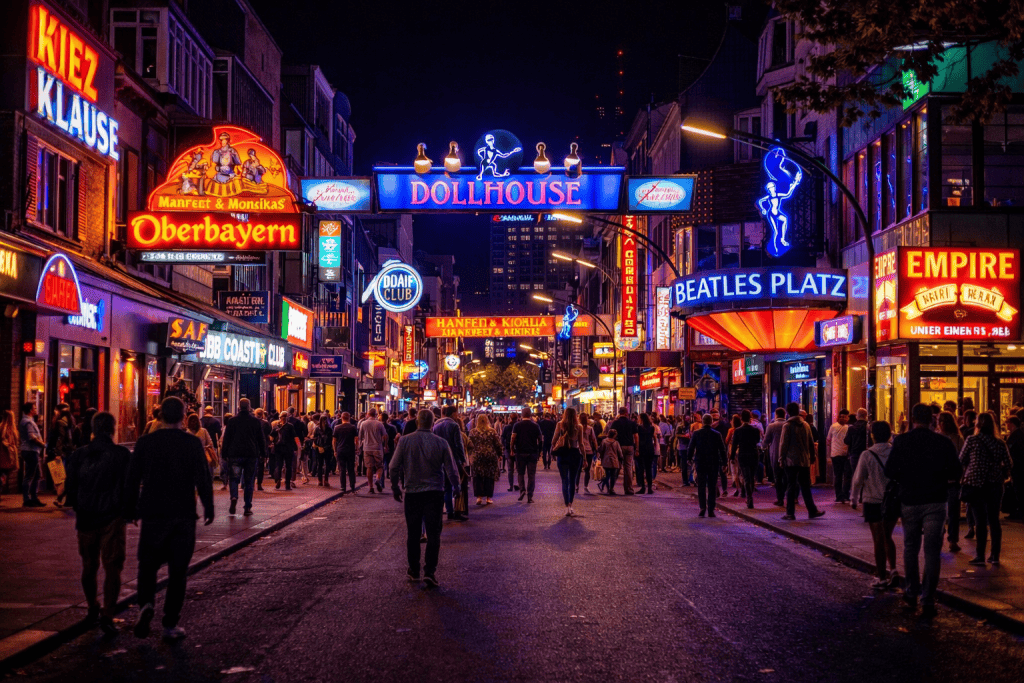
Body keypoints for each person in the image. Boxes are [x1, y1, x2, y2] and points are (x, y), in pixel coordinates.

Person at [126, 397, 214, 640]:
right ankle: (170, 623)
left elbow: (132, 478)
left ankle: (145, 605)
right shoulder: (191, 443)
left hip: (153, 512)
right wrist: (208, 506)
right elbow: (203, 477)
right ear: (183, 416)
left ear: (161, 415)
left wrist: (131, 508)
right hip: (182, 513)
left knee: (148, 564)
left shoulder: (145, 443)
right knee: (178, 570)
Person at [885, 403, 963, 620]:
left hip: (909, 500)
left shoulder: (901, 441)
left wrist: (905, 477)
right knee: (932, 551)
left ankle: (911, 592)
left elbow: (890, 470)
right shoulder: (943, 442)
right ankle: (928, 598)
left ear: (912, 419)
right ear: (932, 420)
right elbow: (956, 471)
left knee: (910, 547)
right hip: (936, 501)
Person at [64, 412, 130, 637]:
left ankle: (92, 606)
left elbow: (70, 487)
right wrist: (129, 511)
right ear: (113, 429)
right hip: (112, 516)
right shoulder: (121, 454)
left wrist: (78, 505)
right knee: (113, 567)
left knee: (89, 565)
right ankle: (108, 614)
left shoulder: (79, 455)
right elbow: (128, 487)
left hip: (86, 517)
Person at [389, 409, 462, 587]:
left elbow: (393, 466)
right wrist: (456, 487)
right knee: (433, 533)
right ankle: (430, 571)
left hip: (413, 493)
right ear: (432, 423)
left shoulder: (405, 441)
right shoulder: (441, 443)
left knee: (413, 533)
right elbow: (451, 469)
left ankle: (414, 570)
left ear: (417, 422)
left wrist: (395, 487)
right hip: (434, 493)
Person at [851, 421, 899, 590]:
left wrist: (854, 499)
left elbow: (858, 479)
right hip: (892, 500)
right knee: (888, 536)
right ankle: (893, 569)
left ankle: (882, 577)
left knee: (878, 540)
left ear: (872, 435)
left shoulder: (867, 454)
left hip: (873, 500)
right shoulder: (895, 452)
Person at [959, 411, 1012, 565]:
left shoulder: (972, 440)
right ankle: (995, 555)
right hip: (995, 483)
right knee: (994, 519)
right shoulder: (1000, 443)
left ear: (977, 425)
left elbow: (961, 459)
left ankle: (980, 555)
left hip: (976, 483)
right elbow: (1009, 464)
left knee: (980, 520)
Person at [220, 398, 268, 516]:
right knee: (249, 481)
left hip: (235, 454)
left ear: (239, 407)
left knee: (234, 478)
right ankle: (247, 507)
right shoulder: (255, 422)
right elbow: (261, 439)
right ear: (249, 407)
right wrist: (263, 453)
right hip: (251, 455)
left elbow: (227, 439)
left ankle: (234, 497)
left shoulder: (232, 421)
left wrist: (224, 453)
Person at [778, 402, 825, 521]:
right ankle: (812, 510)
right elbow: (810, 442)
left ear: (788, 412)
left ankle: (790, 513)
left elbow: (783, 444)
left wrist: (781, 459)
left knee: (791, 486)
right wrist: (812, 456)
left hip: (791, 461)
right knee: (805, 486)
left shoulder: (787, 426)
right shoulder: (805, 425)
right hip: (804, 460)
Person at [936, 411, 966, 552]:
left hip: (940, 479)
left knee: (940, 510)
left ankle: (941, 536)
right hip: (953, 479)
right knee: (953, 511)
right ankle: (953, 540)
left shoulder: (937, 438)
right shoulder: (958, 438)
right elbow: (962, 459)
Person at [433, 406, 469, 518]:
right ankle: (456, 511)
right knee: (457, 484)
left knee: (445, 487)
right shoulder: (454, 425)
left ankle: (448, 510)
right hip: (453, 458)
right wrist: (462, 459)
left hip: (439, 459)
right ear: (453, 413)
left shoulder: (436, 426)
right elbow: (459, 444)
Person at [689, 414, 727, 517]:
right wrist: (724, 463)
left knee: (701, 486)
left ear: (702, 421)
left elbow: (691, 447)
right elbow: (722, 449)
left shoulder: (696, 433)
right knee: (712, 486)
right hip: (713, 462)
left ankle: (702, 508)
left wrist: (689, 459)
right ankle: (711, 509)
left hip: (700, 461)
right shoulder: (716, 434)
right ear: (711, 422)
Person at [550, 408, 585, 516]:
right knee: (572, 481)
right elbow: (581, 444)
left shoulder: (560, 425)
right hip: (574, 454)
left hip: (563, 454)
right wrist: (585, 458)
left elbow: (553, 440)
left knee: (565, 480)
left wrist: (555, 447)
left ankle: (566, 506)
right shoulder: (579, 427)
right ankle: (570, 505)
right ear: (575, 415)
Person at [510, 407, 543, 503]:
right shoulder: (535, 426)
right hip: (532, 452)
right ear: (530, 415)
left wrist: (512, 449)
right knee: (531, 475)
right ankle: (530, 495)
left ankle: (522, 490)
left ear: (522, 414)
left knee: (520, 473)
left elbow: (513, 439)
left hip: (520, 452)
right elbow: (541, 440)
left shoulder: (517, 425)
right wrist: (539, 451)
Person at [467, 414, 501, 505]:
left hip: (477, 456)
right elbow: (497, 444)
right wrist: (500, 454)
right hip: (490, 456)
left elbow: (469, 445)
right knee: (489, 476)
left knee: (477, 477)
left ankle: (479, 497)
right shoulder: (492, 431)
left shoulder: (473, 432)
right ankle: (488, 498)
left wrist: (470, 455)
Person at [731, 410, 762, 509]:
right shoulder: (755, 429)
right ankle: (749, 496)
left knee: (746, 476)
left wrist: (732, 457)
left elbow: (734, 445)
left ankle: (749, 498)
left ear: (741, 418)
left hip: (743, 453)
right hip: (753, 453)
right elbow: (757, 440)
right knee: (752, 476)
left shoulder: (738, 430)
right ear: (750, 418)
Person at [47, 404, 75, 507]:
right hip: (69, 451)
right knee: (65, 476)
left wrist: (57, 453)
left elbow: (60, 438)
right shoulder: (70, 421)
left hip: (61, 452)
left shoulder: (60, 422)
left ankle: (59, 497)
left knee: (60, 477)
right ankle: (62, 498)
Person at [19, 403, 46, 507]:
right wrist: (43, 445)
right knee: (30, 475)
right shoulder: (28, 422)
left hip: (31, 451)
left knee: (36, 475)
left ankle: (33, 498)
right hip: (30, 451)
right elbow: (32, 437)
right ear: (30, 410)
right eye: (34, 408)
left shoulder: (27, 421)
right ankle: (27, 499)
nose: (36, 409)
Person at [607, 407, 639, 495]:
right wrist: (637, 448)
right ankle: (628, 489)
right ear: (626, 413)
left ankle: (611, 488)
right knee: (628, 468)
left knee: (616, 467)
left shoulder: (615, 423)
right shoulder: (632, 423)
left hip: (619, 446)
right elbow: (636, 436)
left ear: (619, 412)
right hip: (629, 446)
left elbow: (610, 434)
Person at [359, 408, 389, 494]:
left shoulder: (363, 423)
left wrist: (360, 447)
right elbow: (385, 436)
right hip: (377, 448)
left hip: (367, 448)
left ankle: (371, 487)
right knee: (380, 466)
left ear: (368, 414)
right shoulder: (379, 424)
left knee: (369, 467)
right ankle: (378, 479)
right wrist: (385, 446)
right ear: (376, 415)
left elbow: (360, 436)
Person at [844, 408, 869, 510]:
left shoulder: (852, 428)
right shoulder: (868, 427)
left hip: (854, 454)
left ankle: (855, 497)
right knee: (867, 475)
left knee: (856, 475)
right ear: (866, 415)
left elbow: (846, 441)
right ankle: (864, 496)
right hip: (866, 453)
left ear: (857, 416)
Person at [762, 408, 788, 506]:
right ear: (785, 415)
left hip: (775, 454)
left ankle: (780, 498)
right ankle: (787, 496)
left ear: (776, 415)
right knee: (786, 477)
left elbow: (766, 441)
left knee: (777, 477)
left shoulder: (771, 426)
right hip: (787, 455)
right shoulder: (788, 425)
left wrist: (762, 446)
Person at [271, 413, 301, 491]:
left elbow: (271, 437)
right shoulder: (290, 426)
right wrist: (299, 446)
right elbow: (295, 437)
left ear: (280, 418)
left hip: (278, 449)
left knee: (278, 466)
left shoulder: (276, 426)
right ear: (287, 418)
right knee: (288, 466)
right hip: (288, 448)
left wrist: (272, 443)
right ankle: (287, 484)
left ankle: (278, 480)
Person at [826, 409, 851, 503]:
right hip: (842, 454)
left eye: (844, 417)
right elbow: (828, 440)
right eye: (841, 416)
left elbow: (828, 440)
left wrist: (829, 453)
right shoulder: (847, 428)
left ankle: (840, 495)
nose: (843, 418)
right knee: (845, 475)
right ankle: (844, 495)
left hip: (837, 454)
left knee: (839, 476)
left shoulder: (834, 427)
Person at [332, 412, 359, 494]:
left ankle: (343, 487)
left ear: (341, 418)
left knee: (342, 469)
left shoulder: (337, 428)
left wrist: (335, 450)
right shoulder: (353, 427)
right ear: (349, 418)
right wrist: (356, 448)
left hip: (340, 450)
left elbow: (334, 440)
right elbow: (356, 439)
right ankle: (352, 487)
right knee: (351, 469)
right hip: (350, 450)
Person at [0, 410, 20, 506]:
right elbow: (4, 439)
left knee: (3, 473)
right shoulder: (5, 427)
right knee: (3, 473)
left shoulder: (9, 427)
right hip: (5, 454)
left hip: (7, 454)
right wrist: (10, 446)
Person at [635, 413, 658, 495]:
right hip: (650, 448)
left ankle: (643, 487)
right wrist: (654, 447)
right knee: (649, 469)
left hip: (642, 448)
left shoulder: (639, 428)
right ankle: (650, 488)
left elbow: (637, 439)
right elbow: (655, 438)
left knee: (641, 469)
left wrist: (637, 449)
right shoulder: (652, 428)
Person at [1007, 416, 1024, 523]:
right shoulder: (1019, 435)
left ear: (1012, 424)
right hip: (1018, 466)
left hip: (1018, 467)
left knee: (1019, 490)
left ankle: (1020, 512)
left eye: (1007, 423)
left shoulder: (1015, 436)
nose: (1006, 425)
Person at [578, 413, 600, 494]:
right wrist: (597, 449)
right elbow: (594, 440)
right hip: (588, 450)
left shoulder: (577, 427)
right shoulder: (590, 428)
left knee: (578, 469)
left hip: (578, 450)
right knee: (587, 470)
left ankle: (576, 486)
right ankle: (586, 486)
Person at [598, 429, 622, 495]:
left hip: (606, 460)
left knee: (607, 475)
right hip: (614, 461)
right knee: (613, 476)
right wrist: (621, 459)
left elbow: (601, 450)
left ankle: (606, 487)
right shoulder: (616, 443)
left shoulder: (604, 441)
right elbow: (620, 452)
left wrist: (601, 458)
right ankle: (611, 489)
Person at [313, 416, 334, 487]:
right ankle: (325, 480)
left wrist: (315, 444)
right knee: (327, 464)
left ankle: (320, 480)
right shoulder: (329, 429)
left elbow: (315, 438)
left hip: (319, 448)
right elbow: (331, 439)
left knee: (320, 464)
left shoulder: (317, 428)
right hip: (327, 448)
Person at [501, 414, 519, 492]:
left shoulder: (506, 427)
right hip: (518, 450)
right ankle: (519, 484)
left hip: (508, 449)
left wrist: (504, 445)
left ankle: (511, 485)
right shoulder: (519, 426)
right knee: (519, 469)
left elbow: (502, 437)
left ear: (510, 418)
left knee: (510, 469)